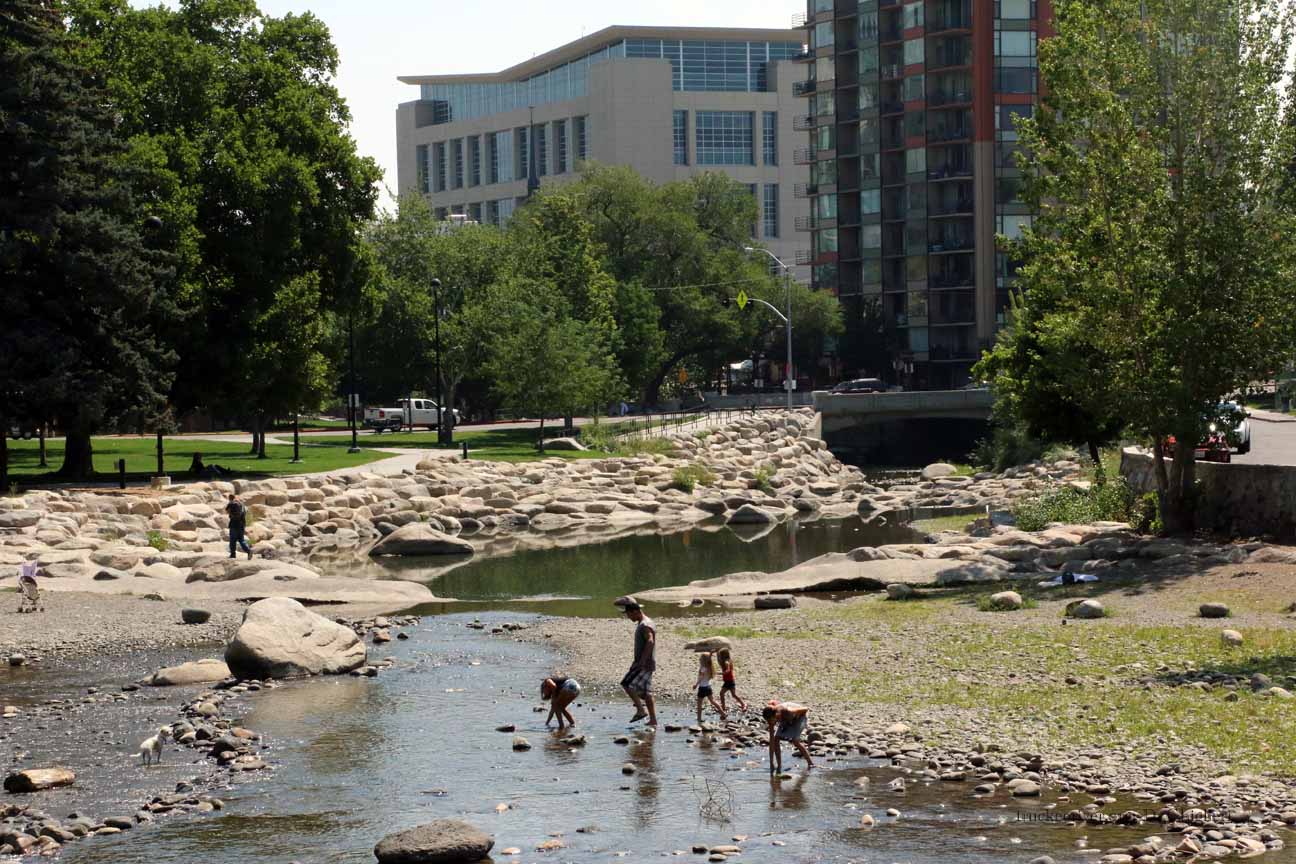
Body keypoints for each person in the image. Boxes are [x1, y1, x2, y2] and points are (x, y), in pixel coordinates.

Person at [615, 596, 657, 726]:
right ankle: (653, 720)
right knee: (646, 693)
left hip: (643, 663)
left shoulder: (645, 625)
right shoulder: (647, 621)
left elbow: (650, 641)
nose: (629, 618)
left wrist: (641, 661)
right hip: (648, 663)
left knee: (626, 683)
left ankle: (640, 710)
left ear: (635, 611)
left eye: (628, 615)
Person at [763, 700, 815, 774]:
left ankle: (811, 763)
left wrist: (793, 719)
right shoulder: (771, 717)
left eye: (771, 720)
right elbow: (771, 742)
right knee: (776, 738)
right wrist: (771, 763)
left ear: (776, 715)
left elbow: (806, 709)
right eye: (768, 721)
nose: (770, 723)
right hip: (786, 719)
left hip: (800, 716)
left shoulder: (788, 711)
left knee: (795, 740)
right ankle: (779, 766)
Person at [695, 652, 726, 724]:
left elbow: (701, 678)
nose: (699, 659)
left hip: (702, 688)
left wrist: (696, 684)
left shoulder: (703, 668)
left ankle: (699, 719)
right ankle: (723, 713)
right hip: (708, 687)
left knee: (699, 704)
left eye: (700, 659)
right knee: (713, 701)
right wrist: (710, 654)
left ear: (703, 660)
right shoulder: (710, 668)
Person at [717, 649, 748, 714]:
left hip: (730, 681)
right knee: (722, 693)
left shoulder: (726, 662)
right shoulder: (726, 660)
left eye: (720, 655)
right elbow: (718, 660)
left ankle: (743, 704)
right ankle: (723, 707)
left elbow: (728, 670)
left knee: (733, 695)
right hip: (727, 681)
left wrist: (721, 673)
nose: (719, 657)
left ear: (723, 655)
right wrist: (716, 652)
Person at [225, 493, 253, 560]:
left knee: (232, 540)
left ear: (230, 498)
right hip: (242, 525)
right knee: (241, 540)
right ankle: (249, 551)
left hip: (234, 525)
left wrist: (230, 513)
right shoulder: (242, 505)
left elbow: (226, 510)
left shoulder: (232, 504)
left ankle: (233, 555)